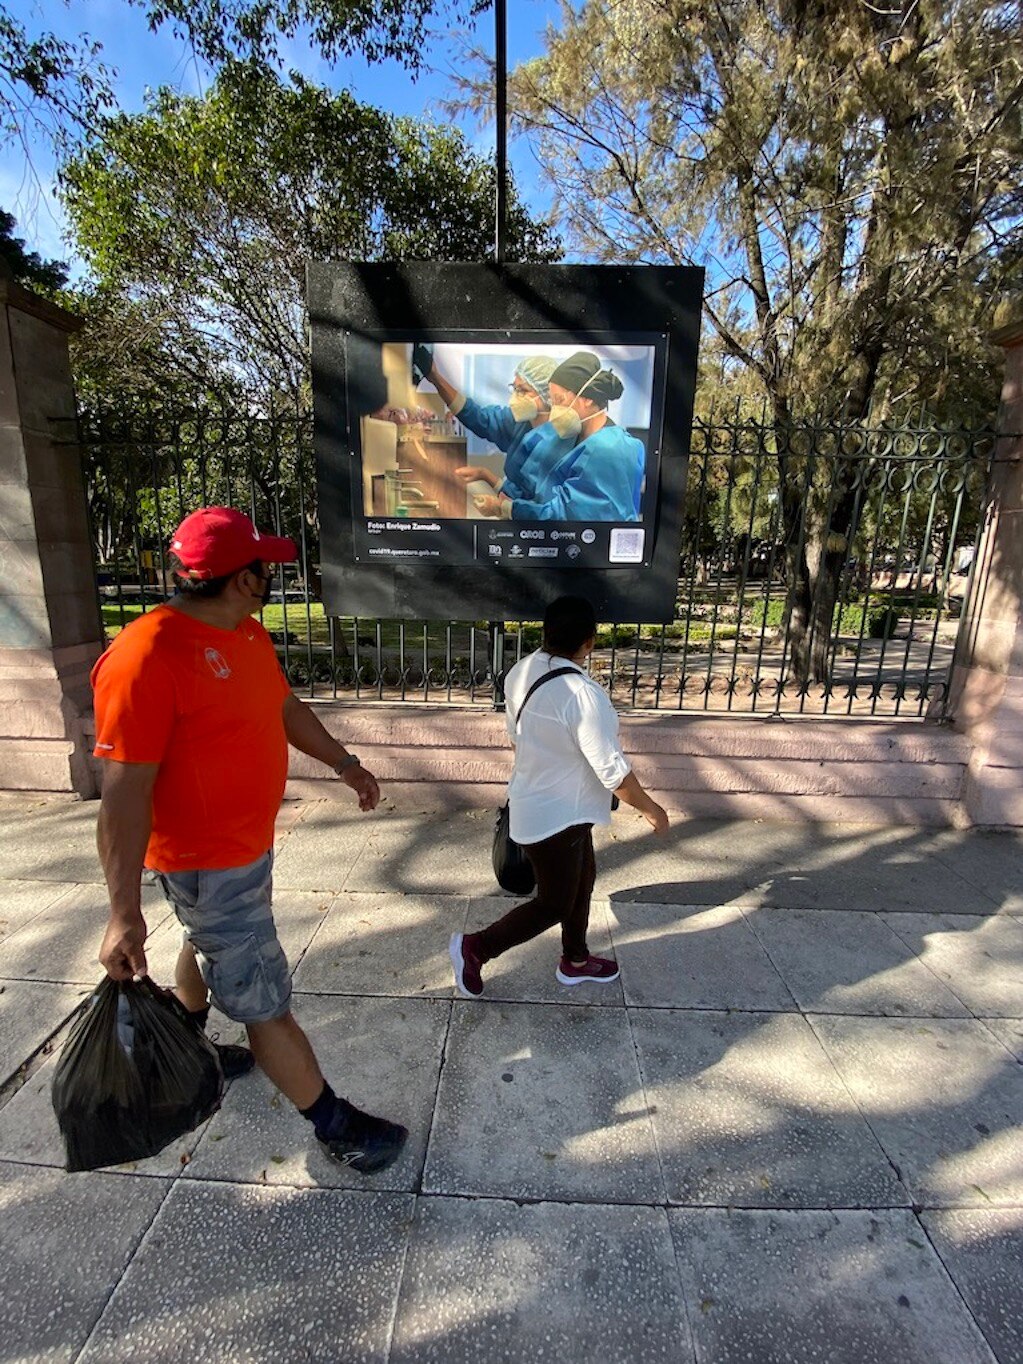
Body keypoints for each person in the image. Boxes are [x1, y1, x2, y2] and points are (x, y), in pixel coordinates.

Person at [92, 506, 407, 1175]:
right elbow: (122, 793)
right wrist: (122, 913)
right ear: (242, 580)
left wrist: (345, 763)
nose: (271, 574)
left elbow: (283, 706)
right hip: (208, 863)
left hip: (242, 852)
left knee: (203, 940)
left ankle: (188, 1039)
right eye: (263, 565)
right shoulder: (145, 657)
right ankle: (335, 1124)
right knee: (265, 1003)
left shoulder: (246, 635)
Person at [449, 595, 668, 997]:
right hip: (557, 817)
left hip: (545, 804)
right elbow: (613, 772)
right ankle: (475, 948)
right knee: (554, 903)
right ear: (590, 642)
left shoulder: (521, 671)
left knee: (582, 879)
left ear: (547, 632)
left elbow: (517, 740)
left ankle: (576, 959)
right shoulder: (582, 695)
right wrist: (653, 811)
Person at [473, 352, 645, 523]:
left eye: (559, 400)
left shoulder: (609, 449)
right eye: (552, 401)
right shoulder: (578, 441)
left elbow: (568, 515)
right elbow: (544, 496)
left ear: (587, 400)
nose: (554, 409)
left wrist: (504, 509)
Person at [411, 346, 571, 506]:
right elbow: (478, 417)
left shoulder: (560, 440)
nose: (516, 396)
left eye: (523, 390)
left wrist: (497, 496)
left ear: (547, 395)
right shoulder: (518, 422)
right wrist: (436, 378)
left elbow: (539, 505)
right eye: (514, 388)